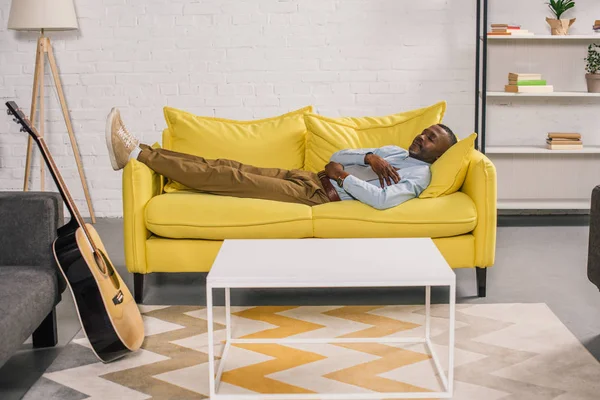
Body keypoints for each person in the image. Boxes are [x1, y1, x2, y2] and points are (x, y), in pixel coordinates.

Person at [106, 108, 457, 210]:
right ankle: (140, 149)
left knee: (233, 181)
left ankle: (138, 153)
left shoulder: (418, 176)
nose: (421, 138)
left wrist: (340, 177)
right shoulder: (395, 152)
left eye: (431, 139)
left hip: (319, 194)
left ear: (440, 152)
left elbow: (382, 199)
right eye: (424, 133)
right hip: (306, 175)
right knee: (226, 166)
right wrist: (366, 155)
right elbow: (337, 157)